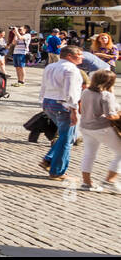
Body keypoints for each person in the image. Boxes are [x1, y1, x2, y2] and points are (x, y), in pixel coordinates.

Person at [40, 45, 84, 181]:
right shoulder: (71, 69)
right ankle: (57, 171)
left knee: (67, 135)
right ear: (70, 56)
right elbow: (72, 92)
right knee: (67, 138)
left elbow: (43, 86)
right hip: (63, 104)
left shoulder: (50, 67)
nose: (81, 57)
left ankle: (50, 159)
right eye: (79, 54)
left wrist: (42, 101)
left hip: (49, 101)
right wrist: (74, 110)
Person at [79, 69, 121, 192]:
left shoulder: (86, 91)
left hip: (85, 127)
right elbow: (110, 115)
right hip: (101, 128)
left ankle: (87, 183)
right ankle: (110, 180)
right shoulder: (106, 95)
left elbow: (81, 110)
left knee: (89, 154)